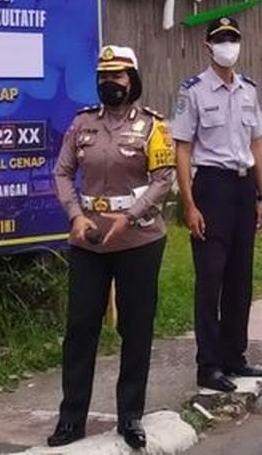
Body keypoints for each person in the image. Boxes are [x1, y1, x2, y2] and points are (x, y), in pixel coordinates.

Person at [48, 45, 175, 450]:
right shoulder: (82, 124)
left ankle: (130, 417)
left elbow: (162, 178)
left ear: (132, 80)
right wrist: (75, 215)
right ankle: (71, 420)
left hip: (138, 239)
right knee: (81, 327)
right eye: (104, 77)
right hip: (89, 238)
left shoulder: (154, 126)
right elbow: (63, 172)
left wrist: (131, 216)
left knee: (135, 328)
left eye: (117, 77)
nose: (110, 83)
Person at [172, 16, 262, 393]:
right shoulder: (193, 91)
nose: (228, 45)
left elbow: (257, 144)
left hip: (243, 188)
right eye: (221, 39)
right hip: (211, 187)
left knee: (239, 279)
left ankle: (235, 356)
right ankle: (209, 365)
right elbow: (182, 148)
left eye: (233, 38)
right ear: (208, 46)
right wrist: (189, 202)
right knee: (210, 278)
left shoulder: (248, 90)